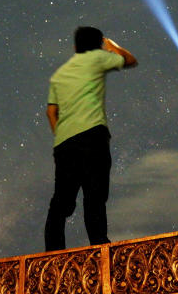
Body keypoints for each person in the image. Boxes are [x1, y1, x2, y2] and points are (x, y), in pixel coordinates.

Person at [44, 26, 137, 251]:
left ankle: (53, 252)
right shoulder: (97, 57)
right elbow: (129, 59)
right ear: (97, 44)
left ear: (75, 46)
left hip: (65, 143)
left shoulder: (60, 74)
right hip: (92, 136)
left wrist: (63, 134)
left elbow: (51, 112)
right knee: (94, 195)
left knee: (62, 201)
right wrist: (111, 45)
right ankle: (99, 246)